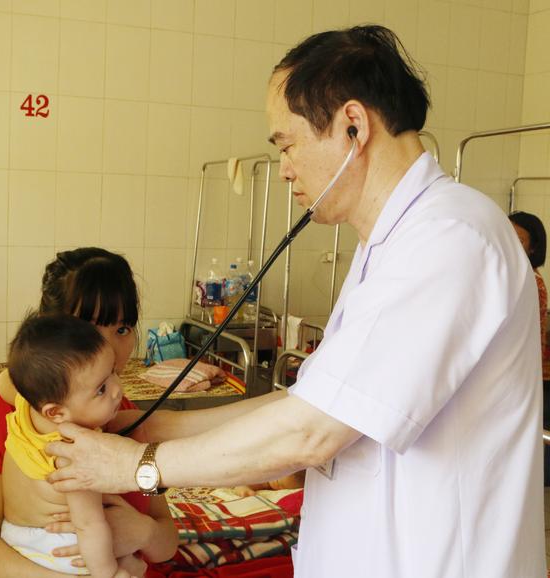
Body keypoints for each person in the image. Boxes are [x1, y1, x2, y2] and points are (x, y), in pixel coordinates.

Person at [45, 25, 546, 577]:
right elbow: (311, 404)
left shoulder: (452, 238)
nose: (284, 168)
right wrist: (150, 427)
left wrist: (139, 466)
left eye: (287, 145)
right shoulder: (390, 244)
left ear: (353, 126)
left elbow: (312, 432)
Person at [0, 248, 177, 578]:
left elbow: (166, 542)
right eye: (88, 329)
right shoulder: (5, 414)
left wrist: (143, 532)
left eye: (123, 329)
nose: (109, 349)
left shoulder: (120, 410)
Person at [0, 313, 143, 577]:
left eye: (112, 371)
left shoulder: (26, 408)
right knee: (130, 566)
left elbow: (3, 382)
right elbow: (89, 525)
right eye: (101, 390)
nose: (117, 390)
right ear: (56, 413)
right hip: (57, 547)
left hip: (11, 538)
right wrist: (110, 573)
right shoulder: (76, 455)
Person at [509, 210, 550, 486]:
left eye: (519, 239)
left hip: (529, 375)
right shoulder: (516, 275)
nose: (510, 242)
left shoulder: (532, 282)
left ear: (533, 248)